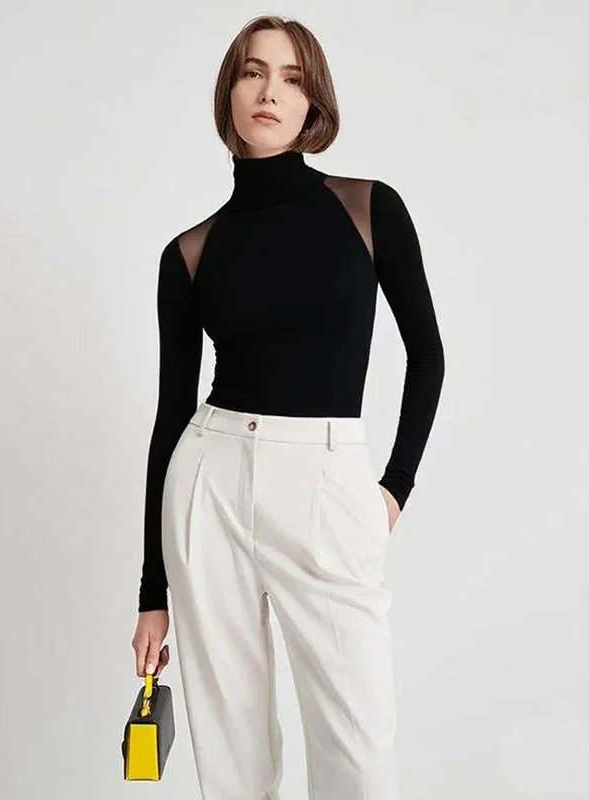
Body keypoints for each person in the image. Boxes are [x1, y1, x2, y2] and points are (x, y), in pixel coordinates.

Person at [131, 14, 445, 799]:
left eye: (292, 77)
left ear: (314, 104)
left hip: (327, 481)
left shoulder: (368, 209)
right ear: (230, 94)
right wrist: (151, 594)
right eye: (253, 72)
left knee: (358, 750)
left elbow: (428, 356)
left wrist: (393, 491)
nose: (270, 91)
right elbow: (170, 415)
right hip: (210, 482)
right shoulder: (189, 253)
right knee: (231, 755)